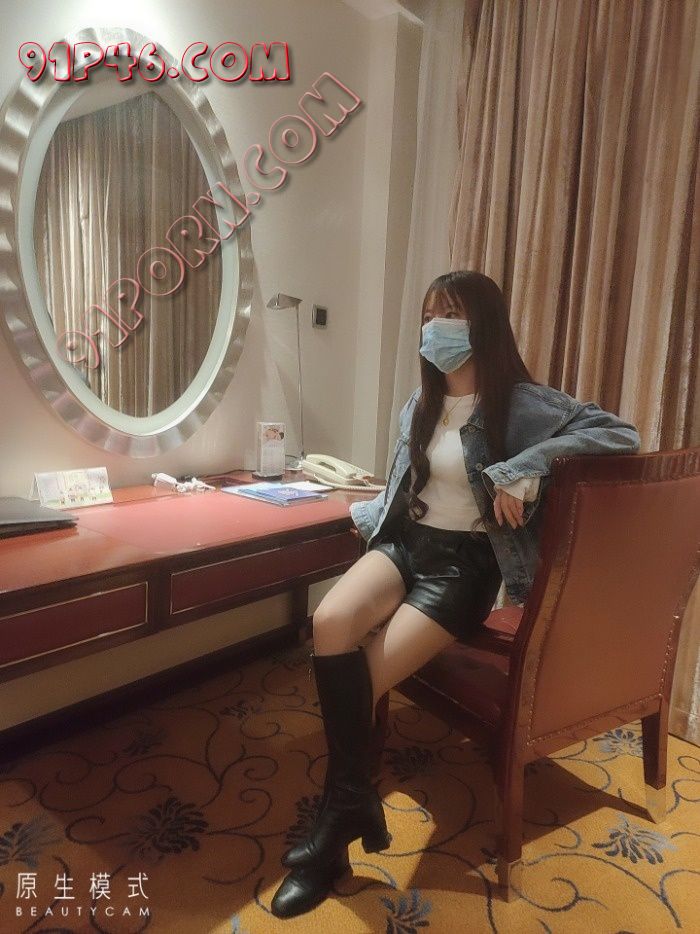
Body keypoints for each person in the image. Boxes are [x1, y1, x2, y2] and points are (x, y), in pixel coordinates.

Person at [270, 270, 642, 918]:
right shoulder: (420, 404)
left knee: (362, 677)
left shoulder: (519, 404)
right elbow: (403, 488)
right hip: (405, 544)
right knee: (329, 622)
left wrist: (523, 469)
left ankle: (335, 832)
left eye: (452, 314)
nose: (436, 328)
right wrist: (360, 511)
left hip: (463, 568)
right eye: (430, 315)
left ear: (483, 324)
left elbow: (620, 435)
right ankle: (353, 805)